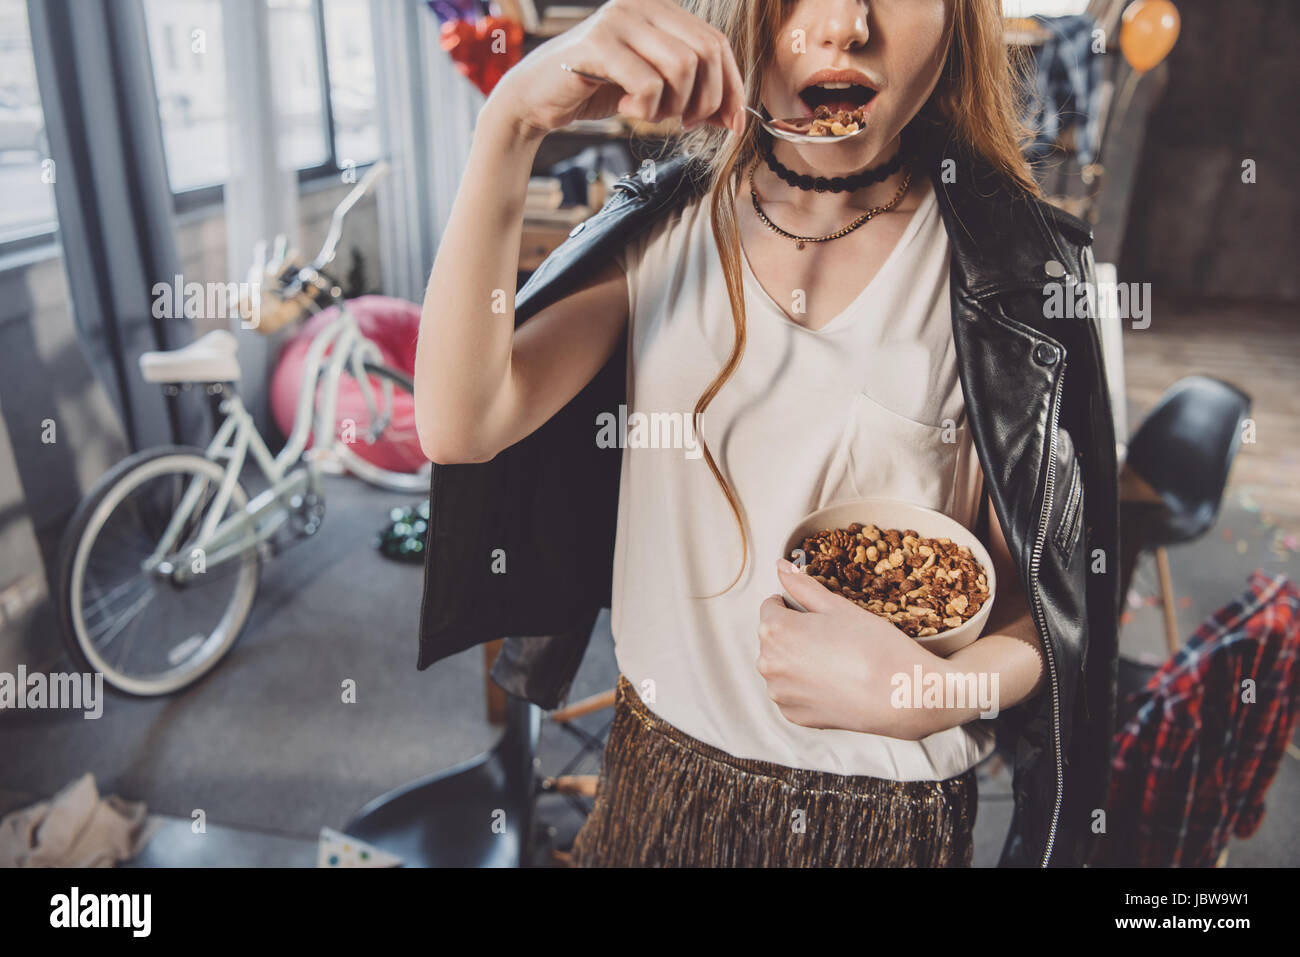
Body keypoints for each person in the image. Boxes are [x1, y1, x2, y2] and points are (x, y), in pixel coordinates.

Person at [414, 0, 1120, 868]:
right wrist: (509, 121)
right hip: (651, 790)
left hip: (887, 826)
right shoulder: (665, 232)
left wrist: (933, 687)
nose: (846, 22)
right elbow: (461, 423)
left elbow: (1048, 614)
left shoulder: (1024, 279)